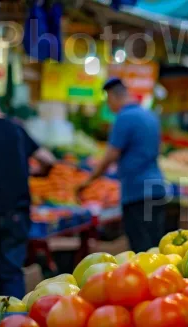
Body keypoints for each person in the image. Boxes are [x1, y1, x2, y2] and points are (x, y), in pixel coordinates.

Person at [0, 81, 55, 304]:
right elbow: (48, 159)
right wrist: (36, 173)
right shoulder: (16, 129)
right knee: (11, 274)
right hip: (15, 214)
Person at [78, 78, 166, 253]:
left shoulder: (124, 118)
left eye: (108, 101)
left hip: (137, 192)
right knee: (156, 245)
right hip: (156, 188)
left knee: (142, 249)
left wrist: (88, 181)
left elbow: (111, 155)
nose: (109, 106)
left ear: (113, 96)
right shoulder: (149, 115)